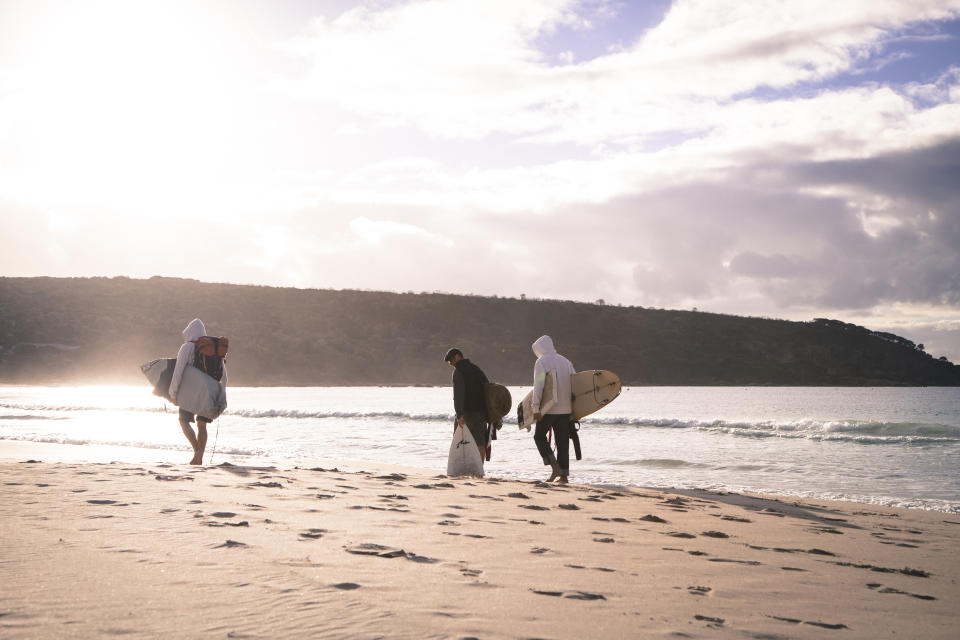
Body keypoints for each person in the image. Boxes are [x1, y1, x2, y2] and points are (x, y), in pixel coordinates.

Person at [169, 318, 227, 465]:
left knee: (183, 421)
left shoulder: (187, 347)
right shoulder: (212, 349)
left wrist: (173, 393)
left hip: (189, 394)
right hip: (209, 393)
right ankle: (199, 458)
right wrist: (220, 394)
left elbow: (178, 371)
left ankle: (197, 451)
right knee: (202, 424)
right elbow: (224, 376)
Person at [530, 335, 576, 484]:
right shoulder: (566, 361)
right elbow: (575, 382)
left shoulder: (541, 361)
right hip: (566, 409)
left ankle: (555, 466)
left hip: (548, 409)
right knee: (562, 441)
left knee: (539, 437)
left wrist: (535, 407)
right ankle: (564, 476)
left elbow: (539, 385)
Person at [444, 348, 489, 459]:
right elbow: (488, 389)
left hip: (466, 413)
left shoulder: (458, 371)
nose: (450, 363)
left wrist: (459, 415)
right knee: (480, 442)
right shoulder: (477, 369)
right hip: (481, 413)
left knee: (459, 442)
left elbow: (458, 395)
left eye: (451, 360)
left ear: (458, 356)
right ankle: (479, 469)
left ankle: (461, 467)